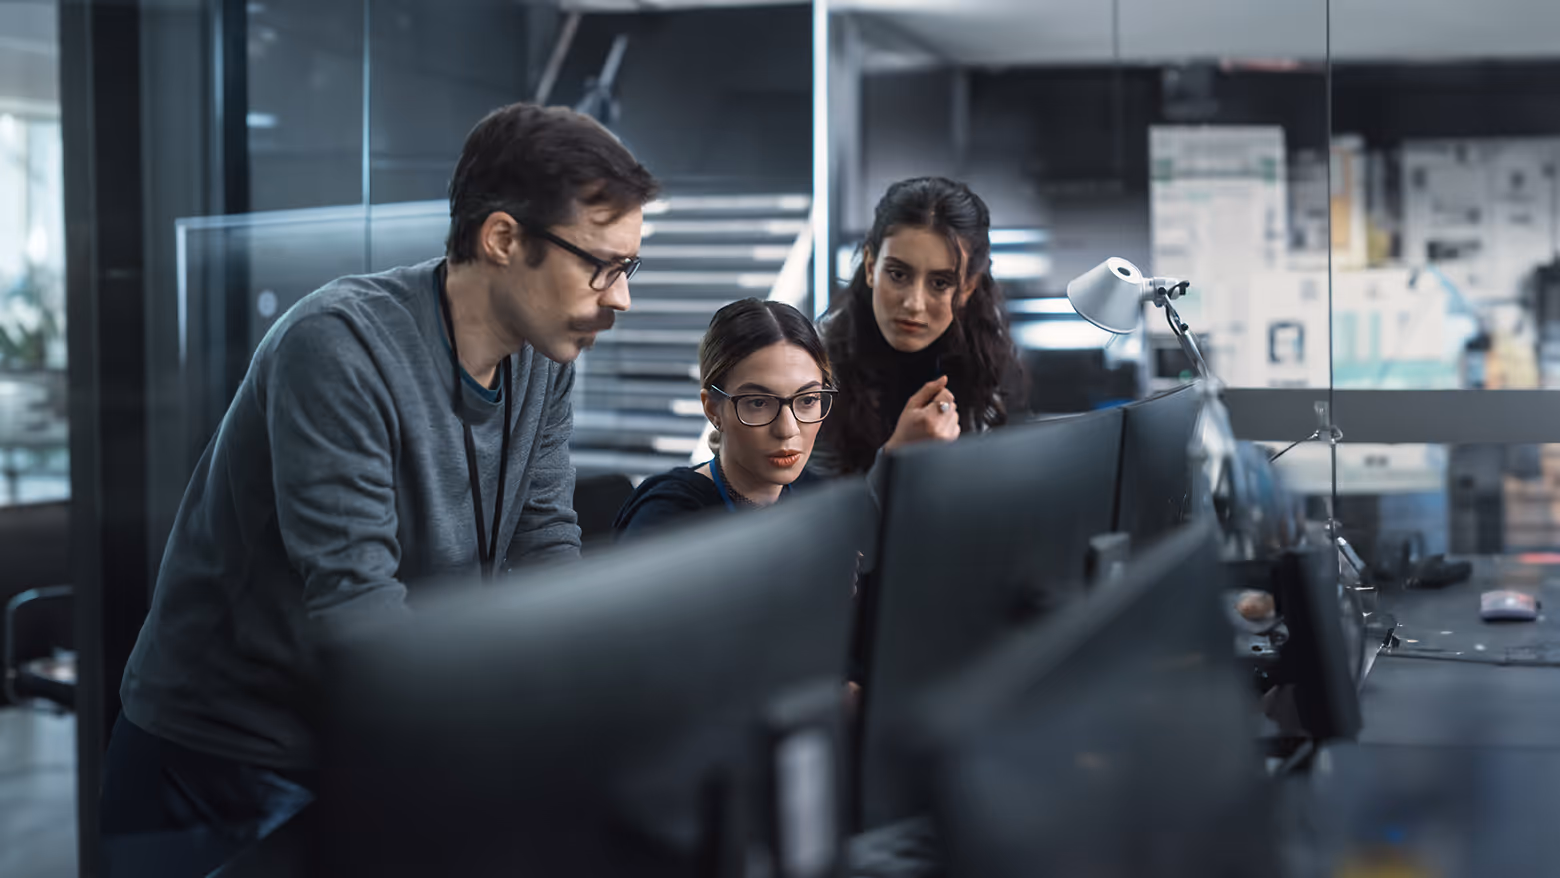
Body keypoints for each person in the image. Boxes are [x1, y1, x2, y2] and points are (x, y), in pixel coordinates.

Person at [99, 103, 659, 876]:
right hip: (219, 762)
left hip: (362, 743)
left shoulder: (543, 360)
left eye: (629, 267)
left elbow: (543, 546)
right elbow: (359, 614)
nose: (621, 298)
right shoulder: (337, 347)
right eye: (601, 264)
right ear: (503, 239)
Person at [811, 177, 1023, 479]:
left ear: (967, 289)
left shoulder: (983, 357)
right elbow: (808, 514)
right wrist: (897, 459)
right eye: (898, 274)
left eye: (940, 283)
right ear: (871, 267)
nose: (914, 304)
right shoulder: (813, 364)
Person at [614, 298, 835, 536]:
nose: (787, 429)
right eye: (759, 403)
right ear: (712, 409)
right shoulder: (666, 520)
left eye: (808, 400)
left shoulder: (818, 495)